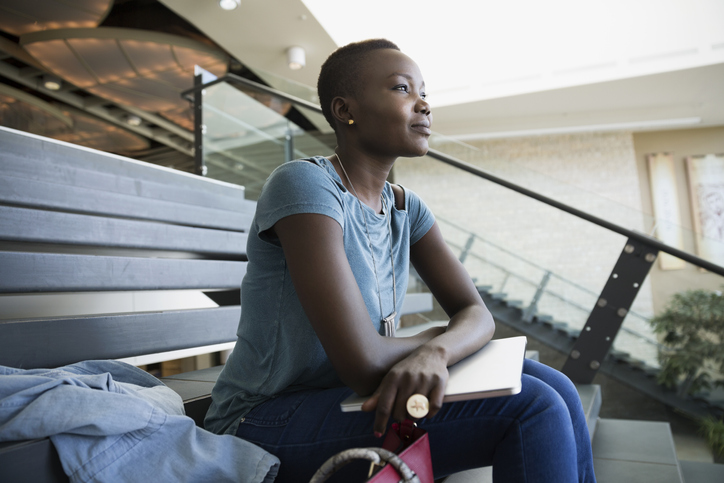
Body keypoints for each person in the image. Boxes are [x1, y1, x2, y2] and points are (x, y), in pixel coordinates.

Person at [206, 39, 596, 483]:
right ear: (344, 109)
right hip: (261, 421)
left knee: (559, 388)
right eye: (402, 89)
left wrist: (438, 350)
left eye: (424, 91)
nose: (424, 104)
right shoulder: (303, 186)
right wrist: (435, 335)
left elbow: (477, 316)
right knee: (534, 407)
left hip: (345, 400)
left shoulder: (407, 209)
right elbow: (364, 362)